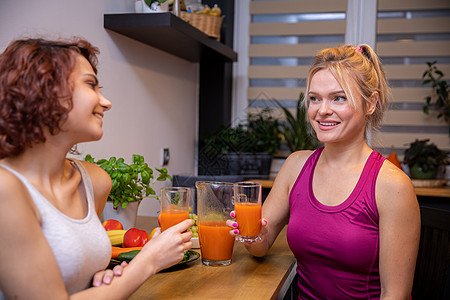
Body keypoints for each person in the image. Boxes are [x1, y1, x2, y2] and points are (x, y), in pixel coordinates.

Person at [0, 38, 193, 299]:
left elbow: (77, 271)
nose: (106, 102)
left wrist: (99, 279)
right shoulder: (6, 189)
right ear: (43, 90)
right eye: (91, 84)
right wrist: (148, 261)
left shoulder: (95, 181)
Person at [228, 44, 420, 299]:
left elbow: (395, 295)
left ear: (370, 103)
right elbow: (261, 246)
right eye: (315, 98)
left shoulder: (392, 185)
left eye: (338, 98)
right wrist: (250, 235)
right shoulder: (296, 166)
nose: (322, 110)